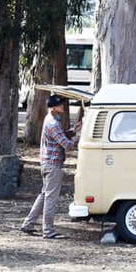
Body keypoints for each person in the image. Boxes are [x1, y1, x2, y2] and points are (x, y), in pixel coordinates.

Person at [20, 94, 81, 239]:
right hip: (53, 165)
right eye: (60, 105)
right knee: (50, 198)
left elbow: (61, 136)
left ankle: (28, 224)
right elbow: (66, 144)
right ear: (54, 107)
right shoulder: (53, 123)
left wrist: (73, 130)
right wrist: (80, 140)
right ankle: (48, 230)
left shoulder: (52, 121)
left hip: (47, 163)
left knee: (44, 195)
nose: (62, 107)